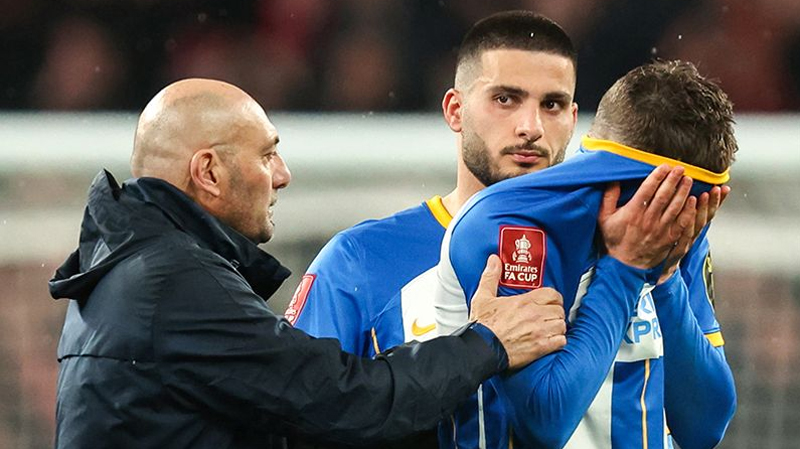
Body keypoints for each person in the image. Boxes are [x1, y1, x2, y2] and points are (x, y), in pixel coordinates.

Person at [48, 78, 574, 449]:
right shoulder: (170, 283)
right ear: (207, 171)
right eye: (267, 154)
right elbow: (343, 401)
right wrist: (486, 342)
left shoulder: (133, 273)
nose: (283, 175)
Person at [434, 60, 738, 449]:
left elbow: (705, 427)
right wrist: (626, 269)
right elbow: (545, 422)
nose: (678, 219)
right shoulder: (509, 225)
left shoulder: (672, 231)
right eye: (667, 204)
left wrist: (665, 280)